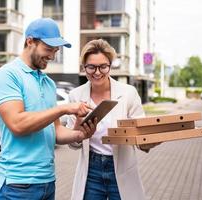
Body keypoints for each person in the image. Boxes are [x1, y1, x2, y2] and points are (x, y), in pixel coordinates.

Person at [0, 18, 96, 200]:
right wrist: (64, 109)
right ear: (30, 41)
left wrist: (80, 134)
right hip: (17, 185)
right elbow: (18, 124)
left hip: (47, 182)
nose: (52, 56)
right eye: (48, 49)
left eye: (56, 51)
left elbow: (55, 131)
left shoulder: (48, 83)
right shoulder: (8, 75)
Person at [67, 39, 160, 200]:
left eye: (103, 66)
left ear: (110, 65)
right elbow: (73, 143)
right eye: (91, 67)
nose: (97, 72)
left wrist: (150, 140)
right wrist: (77, 125)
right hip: (91, 172)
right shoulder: (76, 95)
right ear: (84, 67)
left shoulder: (128, 93)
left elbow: (140, 135)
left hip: (122, 169)